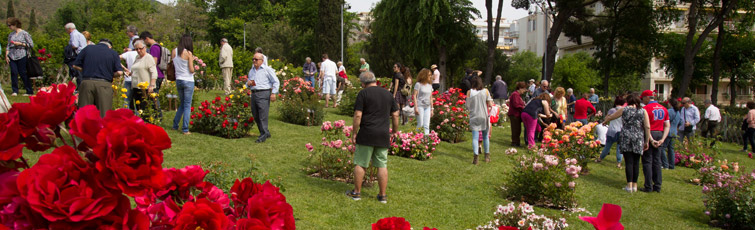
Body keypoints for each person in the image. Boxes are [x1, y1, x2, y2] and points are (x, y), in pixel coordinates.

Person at [346, 71, 399, 204]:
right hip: (383, 134)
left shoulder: (363, 93)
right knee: (382, 165)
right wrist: (395, 131)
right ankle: (382, 196)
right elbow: (396, 114)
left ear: (363, 83)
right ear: (375, 80)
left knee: (361, 163)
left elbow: (358, 115)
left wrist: (354, 133)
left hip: (367, 133)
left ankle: (357, 193)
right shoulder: (387, 94)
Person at [603, 94, 651, 193]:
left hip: (626, 136)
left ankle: (629, 185)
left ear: (628, 101)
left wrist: (605, 121)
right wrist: (646, 141)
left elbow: (612, 116)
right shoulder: (643, 111)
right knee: (636, 162)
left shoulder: (624, 110)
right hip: (638, 137)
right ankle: (635, 186)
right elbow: (647, 126)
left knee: (629, 161)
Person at [72, 39, 123, 117]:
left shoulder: (88, 48)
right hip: (104, 84)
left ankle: (83, 128)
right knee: (104, 114)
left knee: (84, 113)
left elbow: (75, 65)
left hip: (87, 82)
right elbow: (119, 72)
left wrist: (86, 70)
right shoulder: (113, 53)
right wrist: (109, 74)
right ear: (110, 47)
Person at [639, 90, 669, 193]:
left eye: (643, 98)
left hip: (650, 133)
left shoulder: (645, 109)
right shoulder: (664, 109)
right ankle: (658, 185)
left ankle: (648, 186)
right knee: (657, 160)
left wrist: (650, 139)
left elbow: (645, 126)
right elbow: (667, 125)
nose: (643, 101)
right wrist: (662, 139)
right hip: (660, 133)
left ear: (647, 97)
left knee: (647, 161)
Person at [247, 52, 280, 143]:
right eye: (253, 59)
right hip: (254, 93)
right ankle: (266, 132)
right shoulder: (252, 70)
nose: (254, 61)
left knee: (262, 115)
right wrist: (248, 83)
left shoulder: (267, 69)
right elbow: (249, 82)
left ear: (262, 61)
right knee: (255, 115)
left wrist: (273, 93)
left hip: (264, 93)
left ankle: (263, 134)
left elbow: (276, 81)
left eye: (256, 59)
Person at [466, 76, 494, 164]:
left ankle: (476, 157)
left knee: (475, 137)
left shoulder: (469, 92)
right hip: (484, 116)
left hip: (474, 116)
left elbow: (467, 106)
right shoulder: (485, 91)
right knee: (486, 137)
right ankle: (487, 156)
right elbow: (490, 103)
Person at [172, 35, 196, 135]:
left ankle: (175, 125)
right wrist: (193, 61)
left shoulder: (174, 51)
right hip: (188, 80)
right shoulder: (188, 53)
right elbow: (191, 70)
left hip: (179, 79)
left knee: (182, 104)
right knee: (187, 105)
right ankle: (185, 128)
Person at [6, 17, 34, 96]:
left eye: (10, 25)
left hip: (22, 54)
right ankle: (15, 90)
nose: (9, 27)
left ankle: (29, 90)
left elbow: (31, 44)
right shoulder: (11, 35)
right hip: (12, 55)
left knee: (23, 73)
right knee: (13, 72)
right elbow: (8, 45)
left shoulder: (24, 33)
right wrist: (6, 55)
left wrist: (20, 44)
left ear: (15, 25)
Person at [128, 40, 157, 112]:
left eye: (140, 48)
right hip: (136, 86)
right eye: (136, 49)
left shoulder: (148, 57)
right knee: (138, 108)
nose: (138, 50)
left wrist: (152, 85)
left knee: (145, 108)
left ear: (145, 48)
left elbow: (153, 72)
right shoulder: (137, 57)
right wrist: (131, 73)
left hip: (145, 88)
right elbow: (137, 69)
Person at [599, 96, 625, 168]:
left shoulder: (612, 110)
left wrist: (605, 122)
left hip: (612, 130)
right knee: (619, 148)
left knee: (607, 146)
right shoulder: (624, 110)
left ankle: (600, 158)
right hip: (621, 130)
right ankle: (619, 163)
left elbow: (606, 118)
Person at [662, 99, 682, 169]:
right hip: (674, 132)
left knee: (663, 148)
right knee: (671, 149)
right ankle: (672, 165)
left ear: (670, 104)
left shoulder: (669, 111)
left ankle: (665, 164)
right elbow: (681, 122)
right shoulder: (678, 112)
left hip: (668, 131)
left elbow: (665, 120)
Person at [66, 22, 87, 88]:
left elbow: (75, 45)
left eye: (66, 30)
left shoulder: (74, 34)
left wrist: (68, 48)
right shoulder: (79, 34)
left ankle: (80, 87)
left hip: (78, 55)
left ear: (69, 29)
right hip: (83, 54)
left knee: (78, 72)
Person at [413, 69, 434, 135]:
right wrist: (416, 107)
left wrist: (432, 109)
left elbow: (431, 98)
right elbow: (414, 96)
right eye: (429, 75)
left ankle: (426, 142)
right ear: (424, 75)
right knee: (420, 124)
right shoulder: (418, 84)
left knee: (426, 125)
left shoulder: (430, 86)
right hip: (420, 106)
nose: (430, 76)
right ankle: (416, 139)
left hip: (427, 107)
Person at [508, 82, 527, 147]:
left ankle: (517, 142)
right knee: (515, 129)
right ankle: (514, 142)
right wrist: (523, 107)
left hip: (517, 114)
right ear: (520, 88)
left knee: (518, 129)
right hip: (514, 114)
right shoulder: (515, 94)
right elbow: (516, 104)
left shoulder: (518, 95)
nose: (524, 91)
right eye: (523, 89)